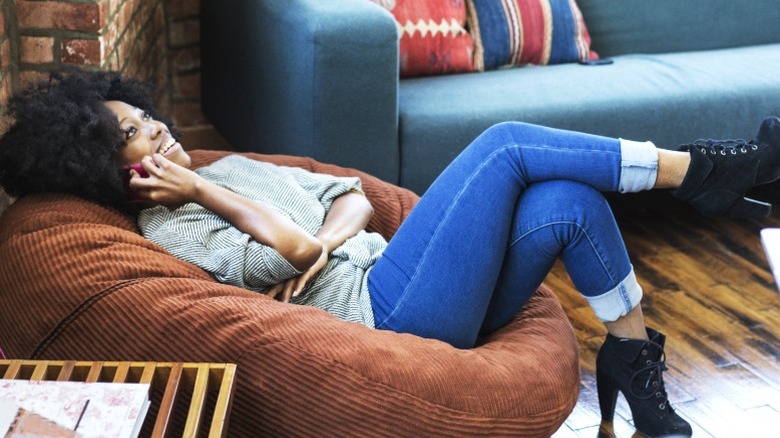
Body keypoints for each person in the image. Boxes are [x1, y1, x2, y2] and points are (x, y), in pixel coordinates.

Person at [2, 70, 779, 438]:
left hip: (390, 271)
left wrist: (332, 236)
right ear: (106, 167)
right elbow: (295, 248)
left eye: (145, 116)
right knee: (506, 144)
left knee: (566, 204)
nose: (157, 131)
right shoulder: (174, 229)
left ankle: (634, 370)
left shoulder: (225, 167)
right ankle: (704, 173)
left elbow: (351, 196)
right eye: (132, 134)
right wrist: (212, 200)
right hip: (385, 312)